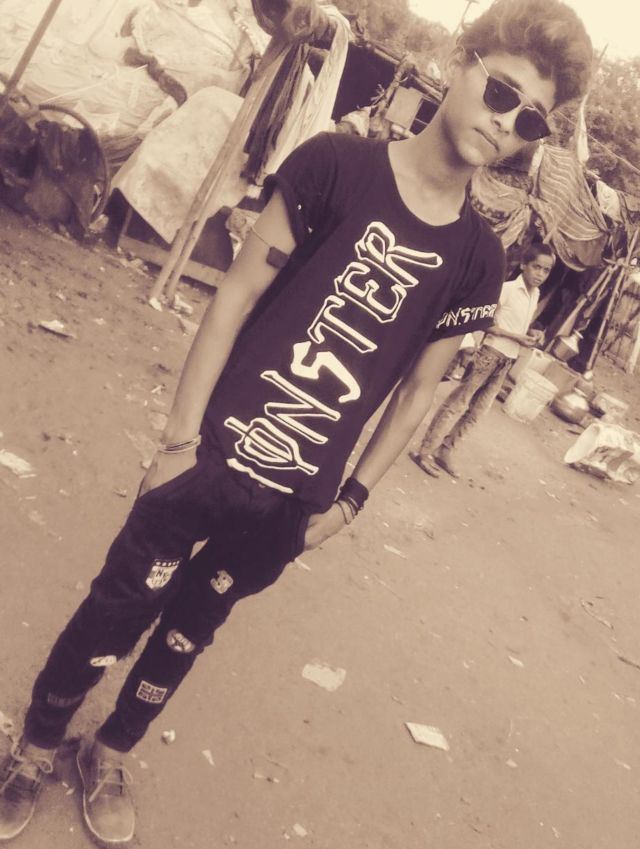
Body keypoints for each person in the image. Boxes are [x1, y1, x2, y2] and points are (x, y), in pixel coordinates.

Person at [0, 1, 592, 844]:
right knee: (116, 606)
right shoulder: (333, 165)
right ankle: (34, 744)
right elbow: (236, 293)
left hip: (292, 502)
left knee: (189, 632)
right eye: (501, 92)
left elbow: (418, 392)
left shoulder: (478, 260)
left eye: (531, 118)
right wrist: (178, 440)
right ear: (462, 61)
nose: (507, 122)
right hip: (207, 456)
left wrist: (347, 505)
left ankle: (112, 747)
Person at [410, 243, 556, 479]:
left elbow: (516, 324)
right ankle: (424, 451)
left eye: (546, 270)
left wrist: (533, 333)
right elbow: (484, 322)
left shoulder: (535, 295)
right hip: (489, 354)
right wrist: (514, 337)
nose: (540, 274)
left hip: (507, 361)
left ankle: (445, 450)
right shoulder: (507, 289)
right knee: (457, 404)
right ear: (523, 265)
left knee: (476, 412)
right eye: (536, 267)